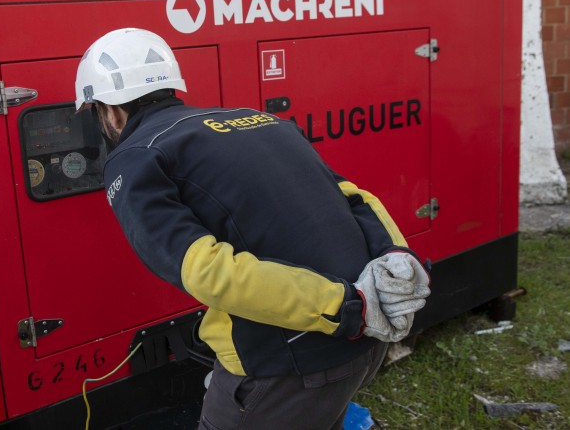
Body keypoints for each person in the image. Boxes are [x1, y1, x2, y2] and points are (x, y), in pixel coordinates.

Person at [75, 28, 430, 430]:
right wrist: (396, 255)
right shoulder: (260, 120)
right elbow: (352, 196)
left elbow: (207, 272)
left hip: (288, 366)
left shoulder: (136, 157)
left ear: (110, 111)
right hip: (364, 348)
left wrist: (347, 308)